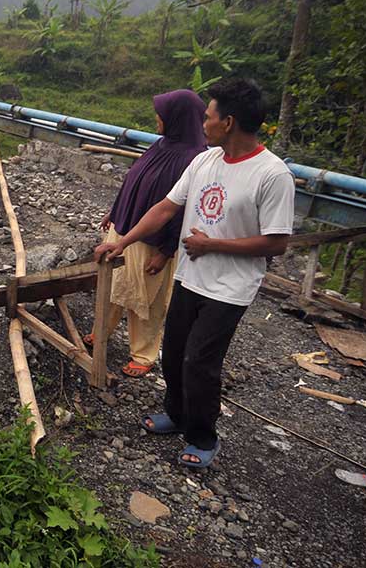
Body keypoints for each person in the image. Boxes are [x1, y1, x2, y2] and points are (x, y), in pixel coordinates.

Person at [94, 78, 294, 468]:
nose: (203, 123)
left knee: (200, 362)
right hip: (191, 277)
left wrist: (212, 245)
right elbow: (166, 207)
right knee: (174, 354)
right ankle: (178, 413)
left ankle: (203, 437)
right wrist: (124, 241)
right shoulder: (204, 161)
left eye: (209, 116)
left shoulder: (272, 175)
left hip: (230, 288)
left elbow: (276, 242)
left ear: (229, 122)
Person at [84, 90, 207, 377]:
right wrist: (114, 213)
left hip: (152, 241)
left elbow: (183, 211)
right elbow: (134, 181)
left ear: (177, 118)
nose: (156, 118)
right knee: (113, 285)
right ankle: (100, 332)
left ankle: (144, 353)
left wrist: (166, 251)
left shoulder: (195, 159)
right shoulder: (161, 146)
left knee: (146, 300)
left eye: (161, 114)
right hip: (124, 229)